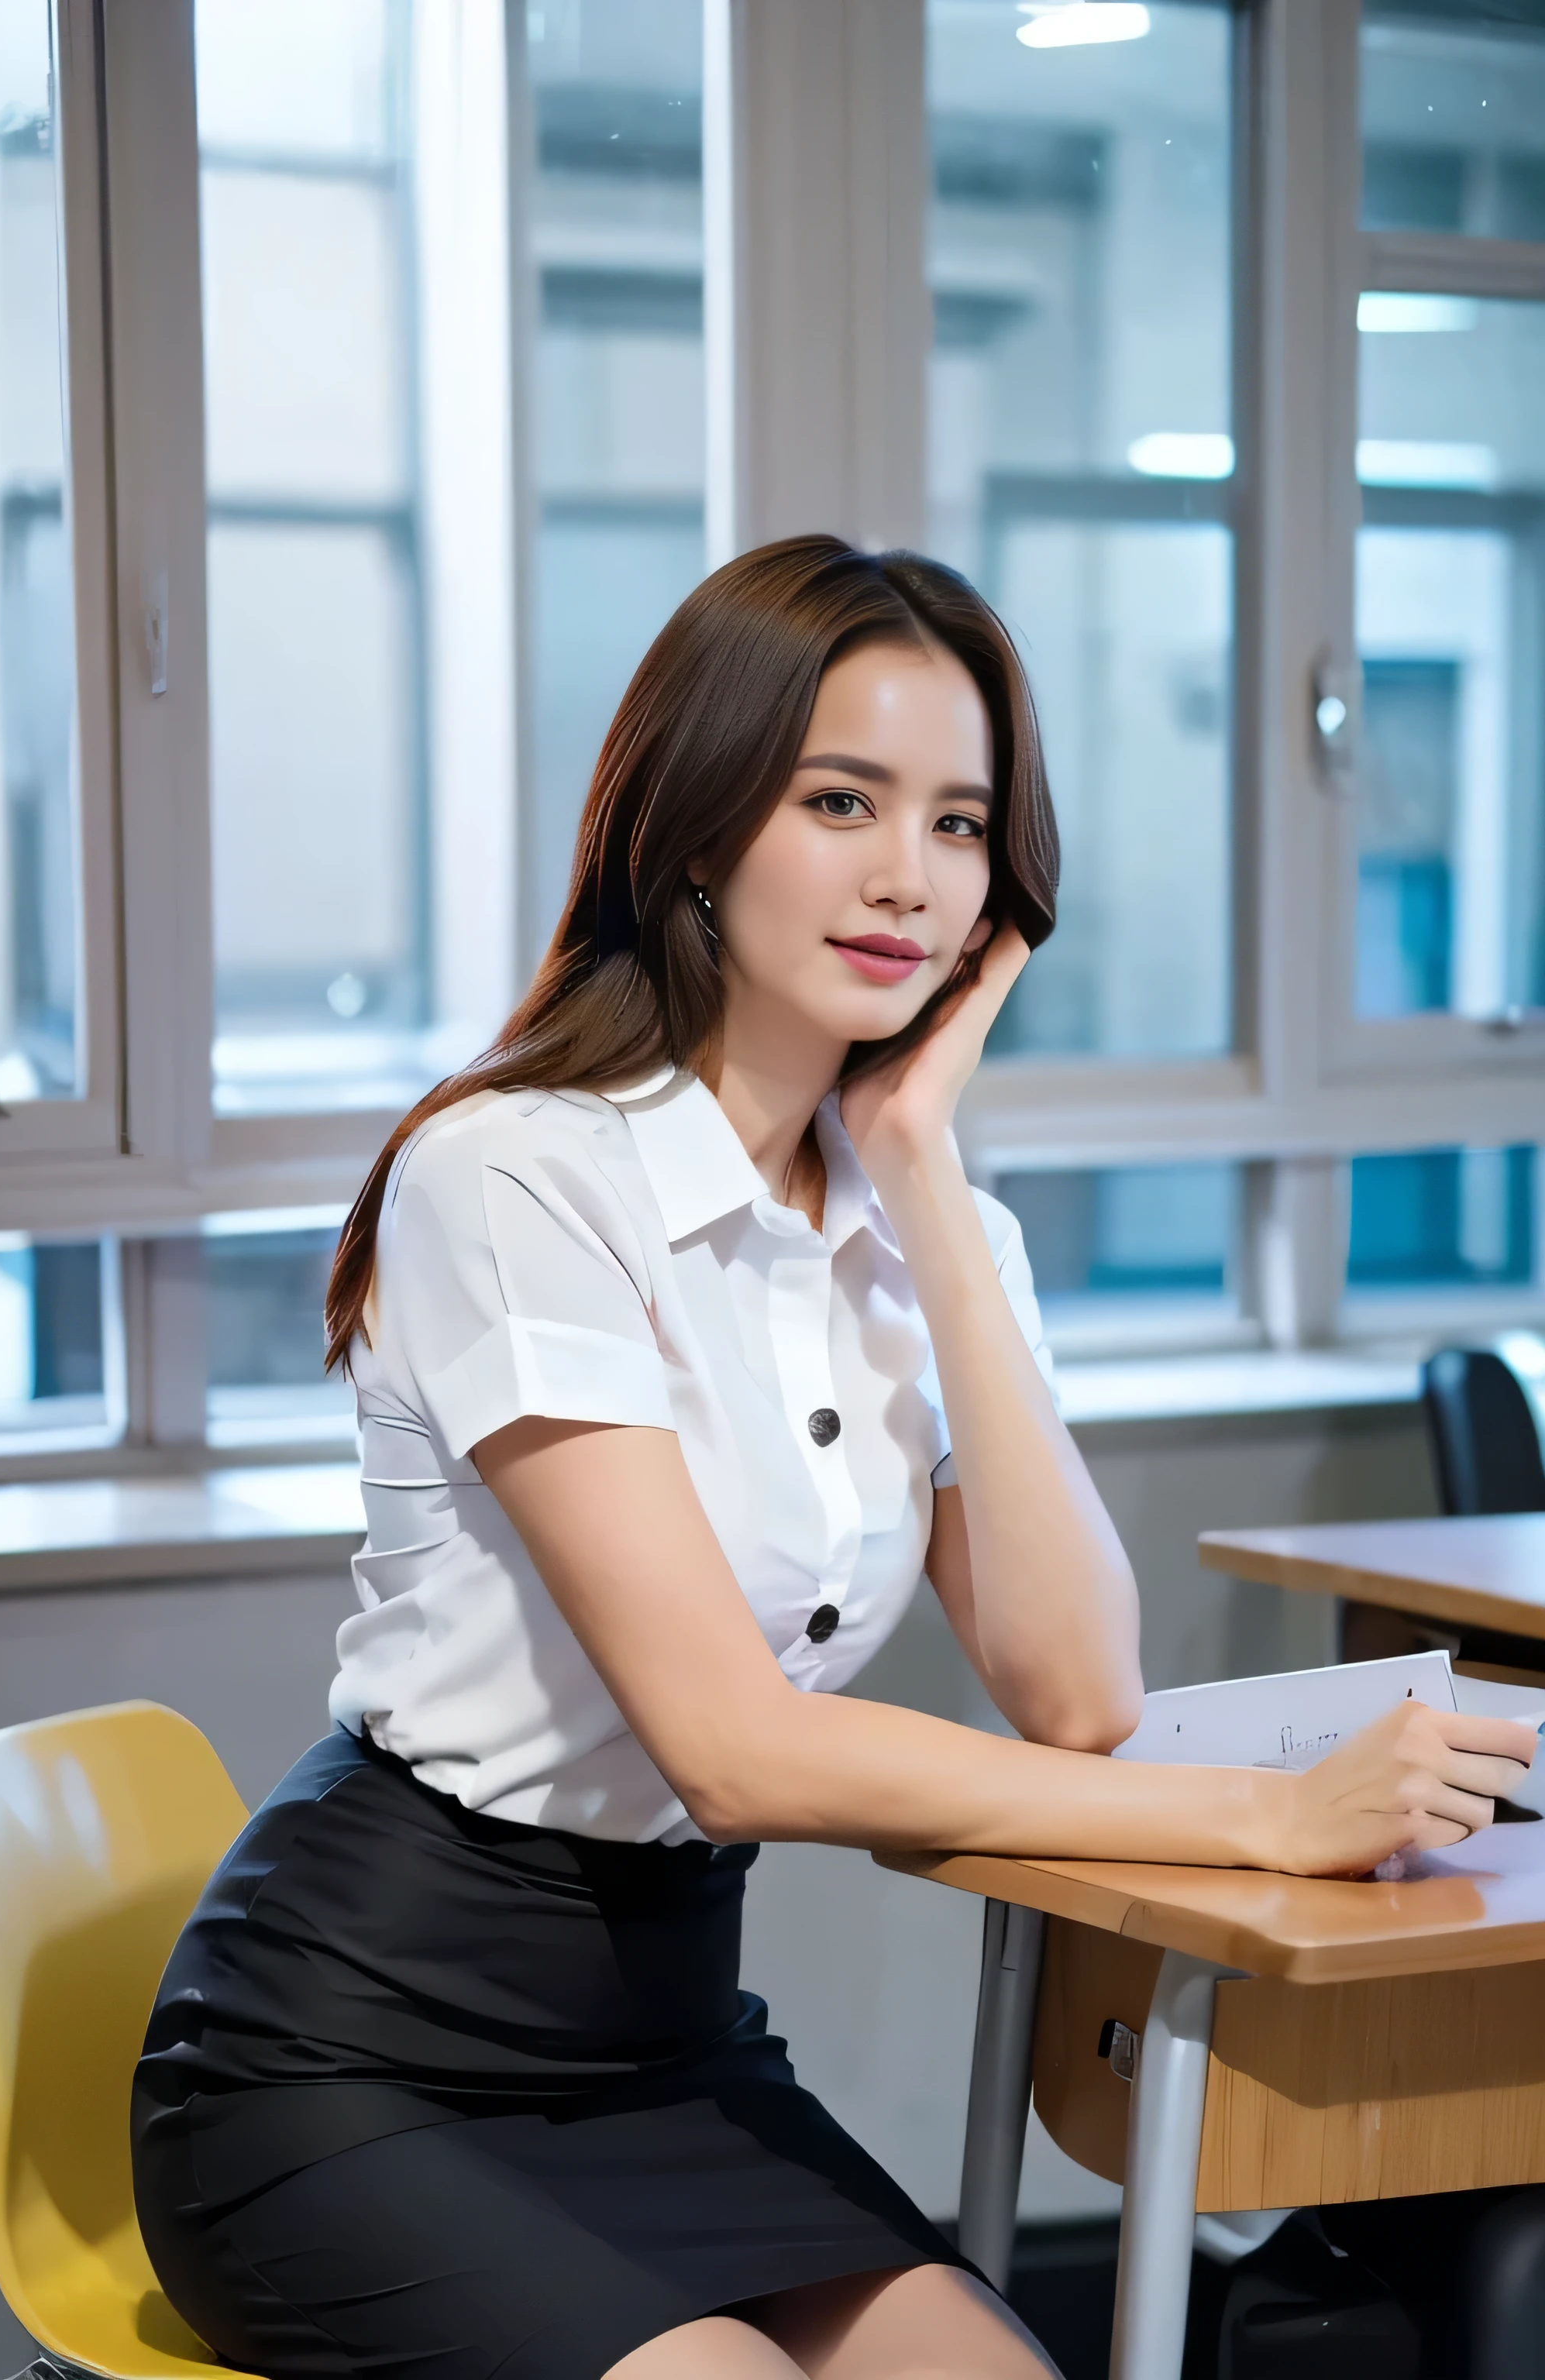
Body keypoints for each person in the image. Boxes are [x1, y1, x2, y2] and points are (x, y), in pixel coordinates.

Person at [131, 535, 1534, 2380]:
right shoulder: (519, 1174)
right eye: (840, 800)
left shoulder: (933, 1233)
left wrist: (929, 1177)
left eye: (959, 825)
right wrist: (1268, 1814)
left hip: (669, 2043)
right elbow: (733, 1749)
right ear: (701, 825)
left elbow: (1076, 1688)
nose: (907, 877)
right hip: (348, 2061)